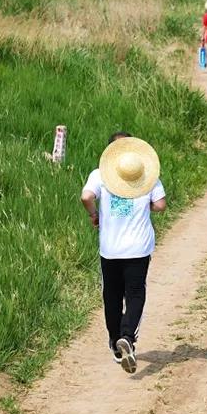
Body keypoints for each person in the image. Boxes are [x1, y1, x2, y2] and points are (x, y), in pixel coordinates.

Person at [81, 132, 166, 374]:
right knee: (136, 293)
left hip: (110, 248)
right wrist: (147, 204)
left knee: (112, 295)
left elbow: (85, 196)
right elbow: (160, 205)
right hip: (138, 248)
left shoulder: (99, 176)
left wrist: (93, 214)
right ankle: (128, 337)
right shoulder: (147, 176)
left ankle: (116, 343)